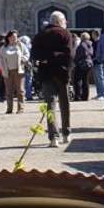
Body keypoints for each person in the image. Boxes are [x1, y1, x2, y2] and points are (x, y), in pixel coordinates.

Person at [31, 11, 73, 146]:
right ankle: (66, 133)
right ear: (60, 21)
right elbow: (68, 55)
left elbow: (35, 54)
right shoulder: (65, 34)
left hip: (46, 72)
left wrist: (47, 58)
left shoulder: (40, 35)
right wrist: (57, 58)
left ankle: (53, 137)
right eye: (64, 21)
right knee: (64, 104)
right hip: (61, 72)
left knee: (50, 105)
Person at [0, 30, 27, 114]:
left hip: (19, 70)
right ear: (8, 38)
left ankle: (20, 108)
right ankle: (9, 108)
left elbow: (27, 54)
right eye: (12, 37)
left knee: (20, 90)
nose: (14, 38)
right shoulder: (3, 48)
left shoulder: (21, 45)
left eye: (15, 37)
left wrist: (24, 59)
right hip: (7, 71)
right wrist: (2, 69)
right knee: (8, 91)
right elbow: (0, 59)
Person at [72, 32, 94, 101]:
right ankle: (85, 96)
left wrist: (75, 61)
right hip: (89, 63)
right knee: (85, 80)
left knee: (77, 80)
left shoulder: (82, 45)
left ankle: (77, 96)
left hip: (81, 63)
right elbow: (92, 53)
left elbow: (79, 55)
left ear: (82, 37)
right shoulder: (90, 44)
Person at [91, 30, 104, 100]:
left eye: (92, 34)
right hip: (94, 62)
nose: (92, 35)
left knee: (100, 79)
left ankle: (103, 94)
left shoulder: (100, 42)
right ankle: (99, 93)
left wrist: (95, 58)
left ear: (96, 34)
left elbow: (100, 53)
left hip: (99, 62)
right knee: (96, 79)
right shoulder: (94, 42)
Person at [20, 34, 34, 101]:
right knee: (28, 82)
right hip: (28, 66)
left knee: (23, 82)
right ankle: (28, 95)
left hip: (22, 66)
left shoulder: (20, 48)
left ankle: (24, 95)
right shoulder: (29, 48)